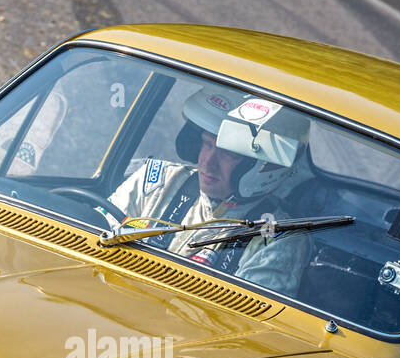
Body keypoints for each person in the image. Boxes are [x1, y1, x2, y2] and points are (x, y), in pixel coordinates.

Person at [106, 87, 312, 295]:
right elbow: (98, 237)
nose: (207, 162)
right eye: (206, 144)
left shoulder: (278, 238)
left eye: (227, 154)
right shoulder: (156, 180)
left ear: (262, 166)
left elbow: (235, 320)